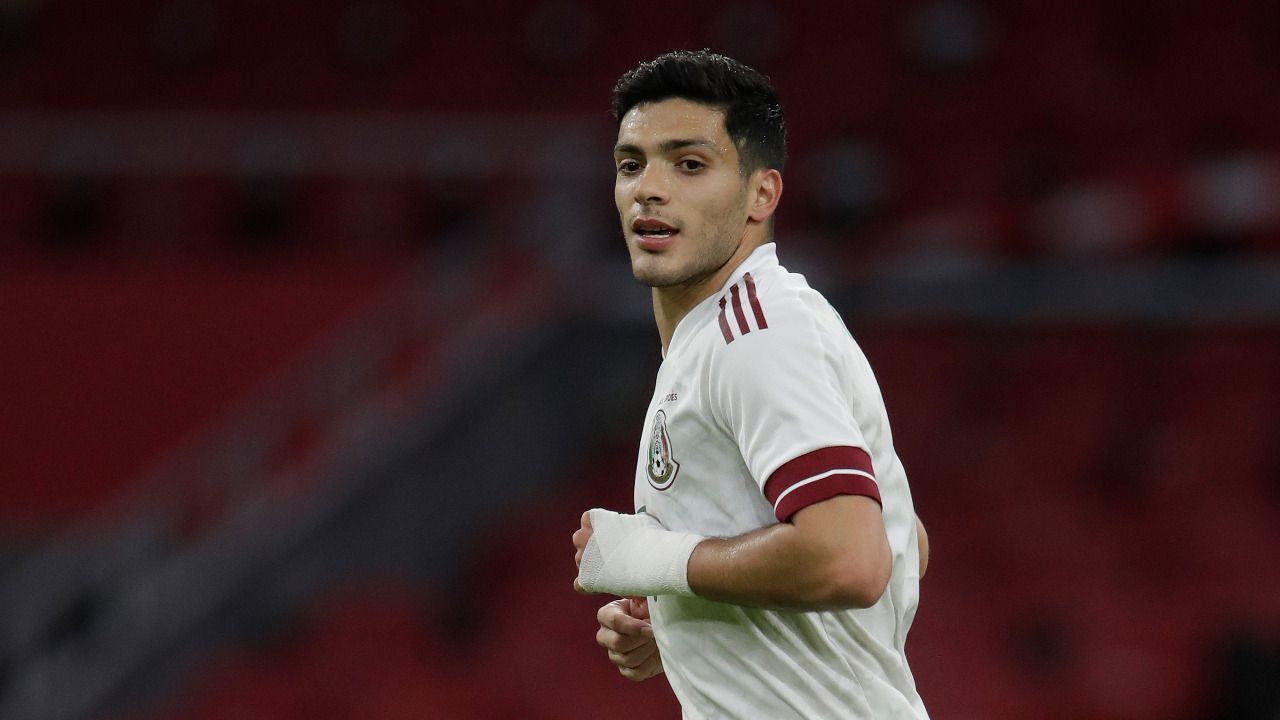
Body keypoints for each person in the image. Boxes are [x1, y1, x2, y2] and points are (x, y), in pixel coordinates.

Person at [571, 49, 931, 719]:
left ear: (762, 195)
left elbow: (851, 559)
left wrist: (660, 562)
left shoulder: (755, 332)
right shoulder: (724, 333)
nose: (650, 188)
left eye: (689, 164)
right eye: (631, 164)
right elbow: (901, 535)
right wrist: (691, 614)